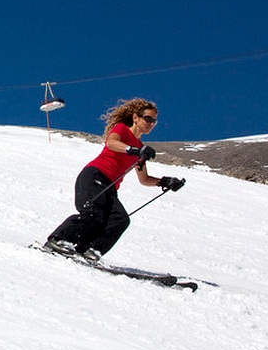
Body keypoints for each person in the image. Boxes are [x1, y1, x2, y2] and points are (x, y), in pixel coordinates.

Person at [45, 98, 186, 262]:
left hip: (110, 186)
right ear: (135, 117)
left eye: (154, 121)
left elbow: (144, 179)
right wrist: (132, 150)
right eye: (148, 118)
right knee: (93, 213)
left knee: (120, 220)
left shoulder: (140, 150)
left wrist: (165, 181)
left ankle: (89, 250)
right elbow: (111, 143)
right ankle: (58, 240)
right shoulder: (122, 130)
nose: (151, 123)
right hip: (94, 176)